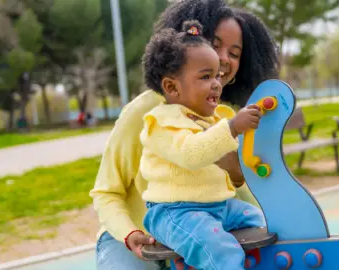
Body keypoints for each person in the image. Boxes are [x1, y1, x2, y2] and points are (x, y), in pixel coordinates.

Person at [90, 1, 279, 269]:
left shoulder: (223, 117)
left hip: (198, 232)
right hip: (134, 237)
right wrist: (129, 233)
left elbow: (235, 192)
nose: (224, 58)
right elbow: (106, 192)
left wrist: (238, 176)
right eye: (214, 44)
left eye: (235, 53)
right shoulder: (149, 112)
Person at [140, 20, 265, 269]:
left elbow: (236, 163)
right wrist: (231, 128)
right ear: (172, 87)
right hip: (175, 213)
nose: (217, 83)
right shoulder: (162, 123)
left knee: (264, 221)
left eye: (217, 75)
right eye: (206, 76)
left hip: (219, 206)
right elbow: (191, 154)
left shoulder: (217, 117)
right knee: (220, 251)